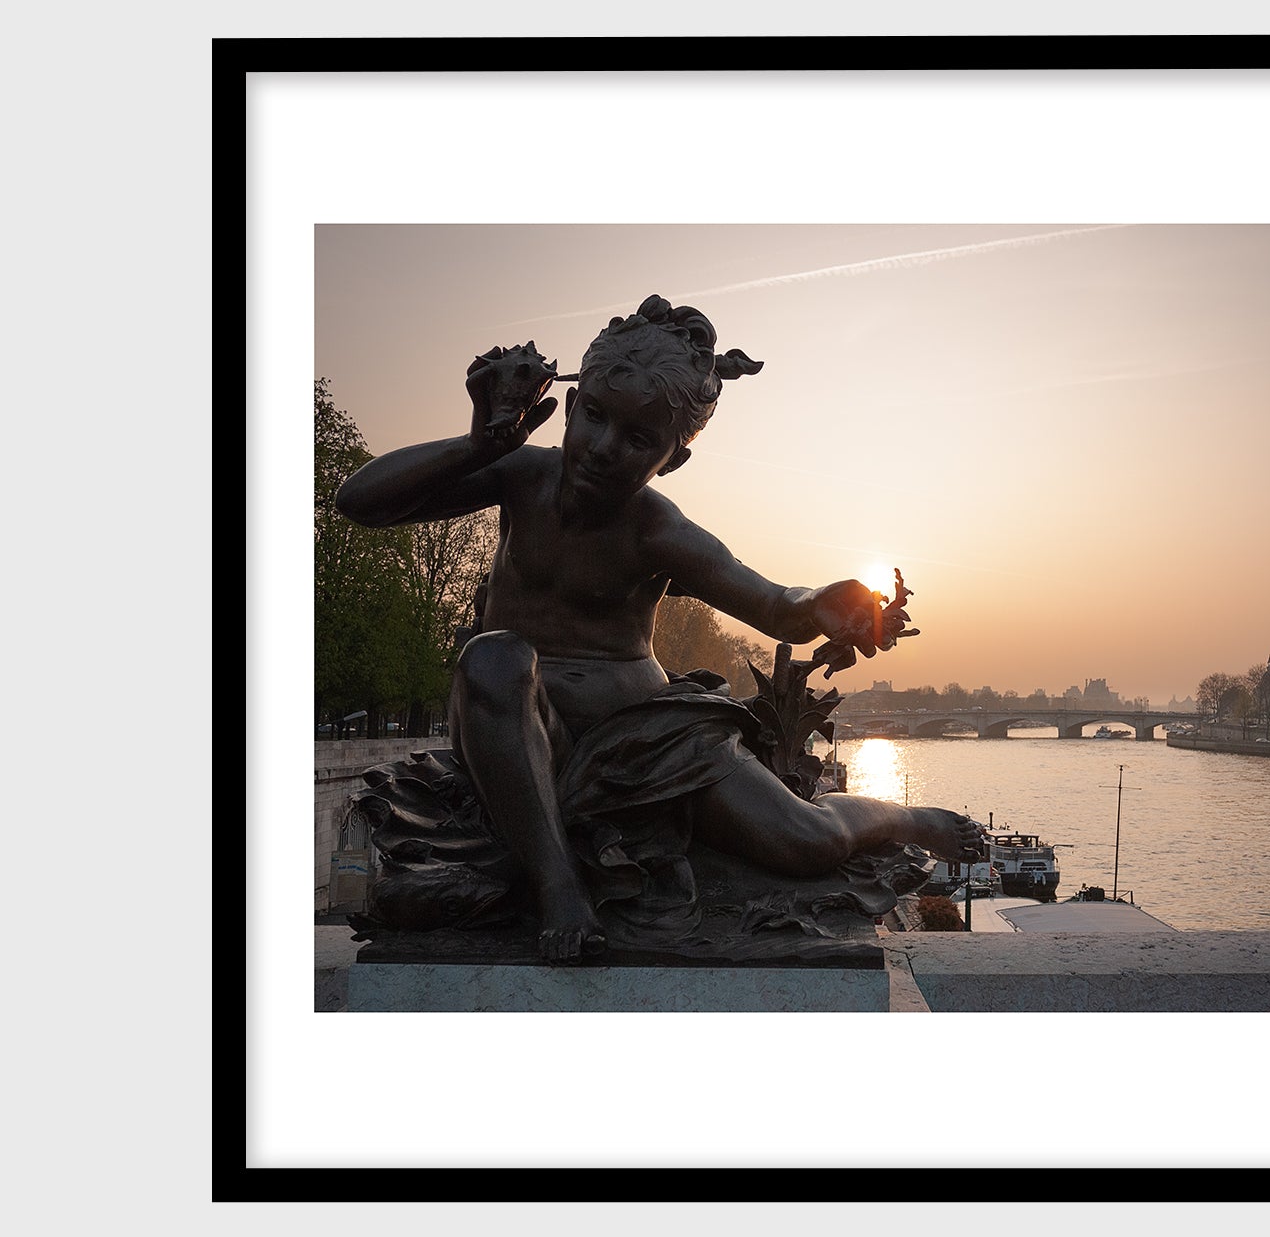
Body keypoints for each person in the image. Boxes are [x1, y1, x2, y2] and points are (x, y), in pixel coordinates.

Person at [336, 295, 986, 959]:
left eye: (639, 439)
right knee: (493, 659)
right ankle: (559, 885)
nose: (602, 448)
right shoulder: (521, 475)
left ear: (672, 459)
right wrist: (477, 445)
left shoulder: (659, 531)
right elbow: (357, 502)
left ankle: (906, 817)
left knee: (806, 841)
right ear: (571, 401)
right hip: (516, 721)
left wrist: (826, 600)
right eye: (594, 417)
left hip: (649, 740)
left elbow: (771, 603)